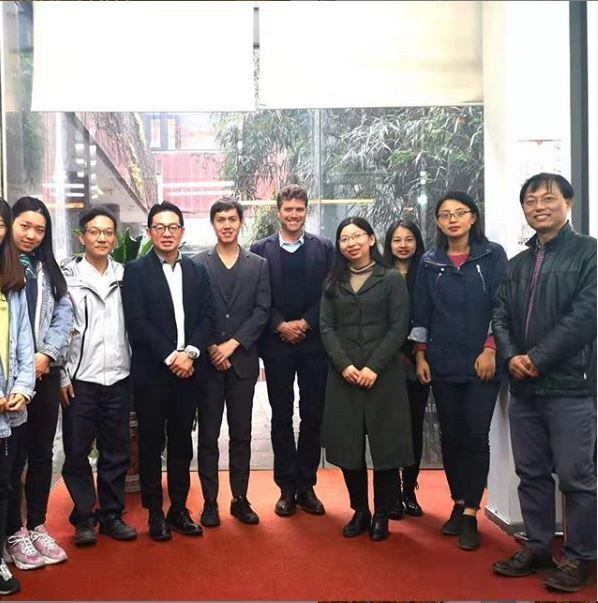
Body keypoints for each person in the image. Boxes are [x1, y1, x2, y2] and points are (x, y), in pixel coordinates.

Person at [492, 173, 596, 593]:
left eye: (548, 198)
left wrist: (537, 357)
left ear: (567, 203)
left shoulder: (589, 254)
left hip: (571, 385)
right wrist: (513, 355)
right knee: (530, 472)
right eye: (531, 200)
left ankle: (580, 556)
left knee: (576, 476)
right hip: (525, 388)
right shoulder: (516, 265)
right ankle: (537, 545)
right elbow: (500, 314)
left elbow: (586, 317)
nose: (539, 206)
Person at [410, 191, 507, 551]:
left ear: (473, 218)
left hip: (483, 362)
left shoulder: (491, 255)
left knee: (475, 435)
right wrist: (421, 356)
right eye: (445, 214)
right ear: (437, 222)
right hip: (443, 360)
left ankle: (470, 512)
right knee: (450, 436)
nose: (452, 219)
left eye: (460, 213)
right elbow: (422, 312)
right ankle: (457, 502)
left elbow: (502, 305)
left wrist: (491, 348)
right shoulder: (430, 261)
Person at [122, 201, 214, 542]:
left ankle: (178, 508)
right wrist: (170, 356)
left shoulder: (197, 271)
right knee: (149, 444)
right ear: (149, 232)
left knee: (181, 444)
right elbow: (137, 322)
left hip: (189, 372)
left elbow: (208, 317)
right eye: (159, 227)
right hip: (152, 374)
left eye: (173, 227)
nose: (166, 233)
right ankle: (155, 513)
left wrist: (189, 353)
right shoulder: (135, 271)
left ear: (182, 231)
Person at [320, 216, 412, 541]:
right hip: (343, 376)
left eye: (358, 236)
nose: (352, 243)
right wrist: (344, 365)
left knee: (385, 447)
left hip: (382, 376)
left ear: (372, 239)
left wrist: (374, 366)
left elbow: (399, 327)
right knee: (349, 448)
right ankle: (360, 510)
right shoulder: (333, 282)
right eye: (345, 238)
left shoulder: (390, 279)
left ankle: (383, 513)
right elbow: (327, 327)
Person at [250, 185, 333, 517]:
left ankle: (306, 485)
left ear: (306, 211)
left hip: (314, 345)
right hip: (277, 344)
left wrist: (306, 323)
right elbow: (258, 296)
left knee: (312, 416)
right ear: (278, 211)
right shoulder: (260, 249)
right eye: (288, 209)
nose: (294, 214)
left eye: (299, 209)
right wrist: (280, 325)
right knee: (281, 417)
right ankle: (286, 486)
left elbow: (330, 293)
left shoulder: (324, 249)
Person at [59, 206, 137, 547]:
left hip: (119, 377)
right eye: (94, 231)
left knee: (116, 450)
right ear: (82, 237)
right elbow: (57, 328)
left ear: (115, 237)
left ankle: (111, 514)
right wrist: (62, 374)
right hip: (80, 380)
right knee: (76, 452)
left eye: (108, 232)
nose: (102, 238)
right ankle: (84, 518)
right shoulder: (66, 276)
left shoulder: (127, 275)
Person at [4, 197, 72, 570]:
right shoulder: (4, 267)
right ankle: (14, 531)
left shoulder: (48, 269)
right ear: (10, 225)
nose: (31, 235)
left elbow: (65, 314)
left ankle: (38, 524)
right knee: (12, 458)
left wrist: (46, 354)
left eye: (39, 229)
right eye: (24, 226)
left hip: (44, 374)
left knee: (43, 453)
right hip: (10, 379)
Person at [195, 199, 270, 527]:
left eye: (232, 219)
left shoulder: (258, 265)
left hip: (242, 363)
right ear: (213, 224)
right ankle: (210, 502)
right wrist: (212, 346)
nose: (226, 224)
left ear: (241, 223)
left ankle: (240, 499)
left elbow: (262, 311)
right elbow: (195, 312)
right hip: (209, 366)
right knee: (208, 437)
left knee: (242, 434)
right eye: (220, 219)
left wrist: (232, 344)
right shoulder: (198, 264)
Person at [0, 198, 35, 596]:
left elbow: (23, 341)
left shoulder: (14, 280)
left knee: (5, 482)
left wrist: (23, 387)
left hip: (10, 404)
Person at [383, 219, 429, 518]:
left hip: (417, 361)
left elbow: (428, 315)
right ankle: (388, 496)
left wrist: (417, 354)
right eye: (397, 239)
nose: (403, 245)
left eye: (409, 239)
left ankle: (409, 489)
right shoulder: (380, 274)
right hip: (385, 362)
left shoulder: (426, 273)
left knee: (413, 427)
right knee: (387, 429)